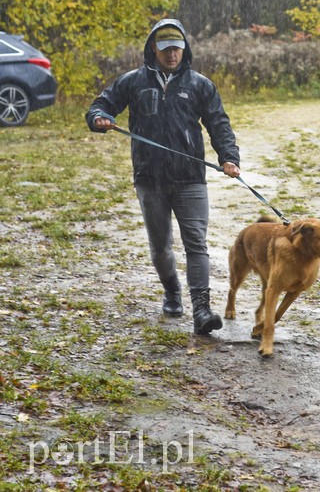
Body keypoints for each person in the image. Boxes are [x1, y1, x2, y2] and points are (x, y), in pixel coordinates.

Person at [86, 19, 241, 335]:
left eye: (178, 49)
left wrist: (229, 158)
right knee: (160, 246)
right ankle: (172, 292)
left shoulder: (200, 85)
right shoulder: (132, 82)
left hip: (190, 178)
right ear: (153, 49)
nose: (173, 55)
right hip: (149, 177)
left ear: (185, 50)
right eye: (167, 48)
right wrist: (100, 118)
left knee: (196, 243)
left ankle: (201, 308)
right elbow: (100, 106)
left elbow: (219, 124)